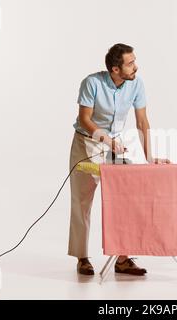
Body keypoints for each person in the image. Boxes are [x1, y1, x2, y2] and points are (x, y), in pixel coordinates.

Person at [68, 43, 170, 276]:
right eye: (130, 63)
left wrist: (149, 157)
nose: (136, 66)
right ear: (115, 69)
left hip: (115, 144)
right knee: (82, 202)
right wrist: (105, 140)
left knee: (128, 198)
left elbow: (142, 122)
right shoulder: (91, 83)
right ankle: (82, 258)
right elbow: (85, 119)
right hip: (88, 142)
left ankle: (123, 259)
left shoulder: (137, 84)